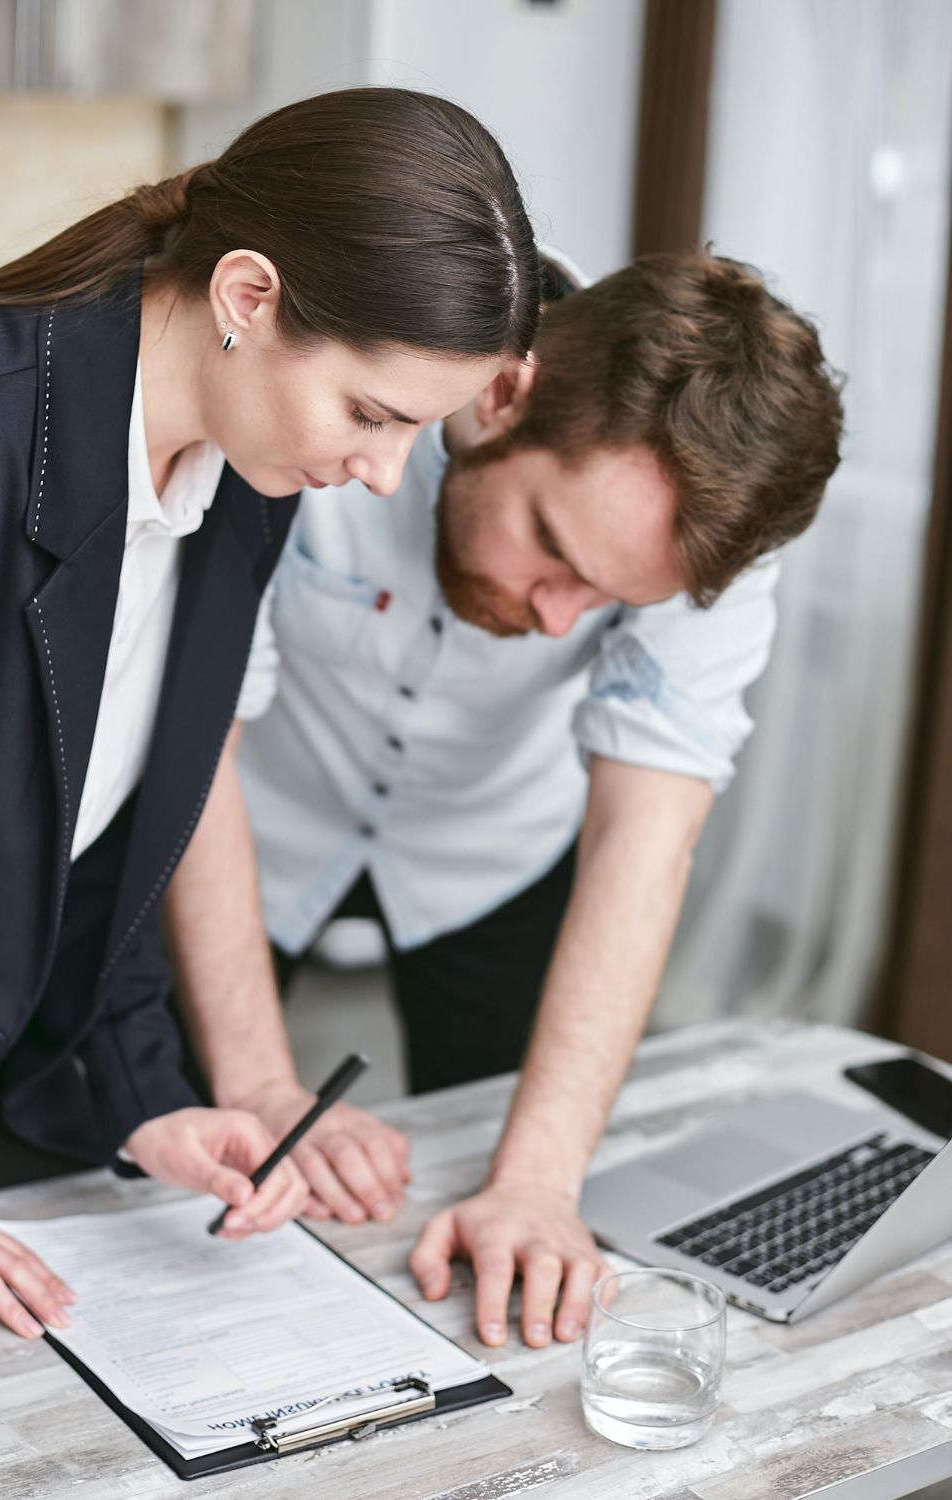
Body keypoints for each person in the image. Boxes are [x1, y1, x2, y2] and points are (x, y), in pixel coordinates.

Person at [0, 87, 541, 1342]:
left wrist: (141, 1090)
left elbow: (105, 824)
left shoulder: (248, 477)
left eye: (417, 432)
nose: (381, 473)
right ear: (248, 299)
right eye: (372, 414)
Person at [176, 248, 844, 1350]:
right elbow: (198, 747)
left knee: (498, 1170)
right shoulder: (335, 399)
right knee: (173, 1160)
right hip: (256, 813)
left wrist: (537, 1186)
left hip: (491, 852)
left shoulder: (710, 533)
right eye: (550, 550)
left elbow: (645, 835)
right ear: (501, 397)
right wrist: (256, 1078)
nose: (552, 621)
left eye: (605, 601)